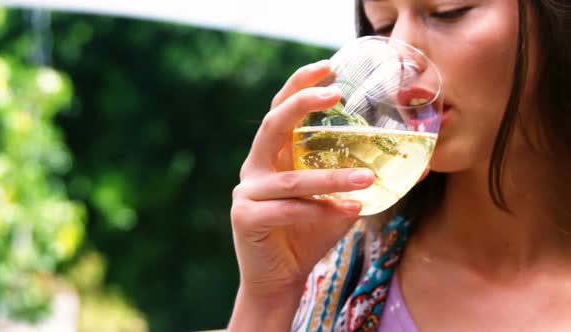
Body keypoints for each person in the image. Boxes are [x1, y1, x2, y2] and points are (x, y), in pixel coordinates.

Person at [228, 0, 571, 330]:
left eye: (448, 11)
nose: (398, 53)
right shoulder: (342, 271)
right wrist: (269, 299)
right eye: (383, 25)